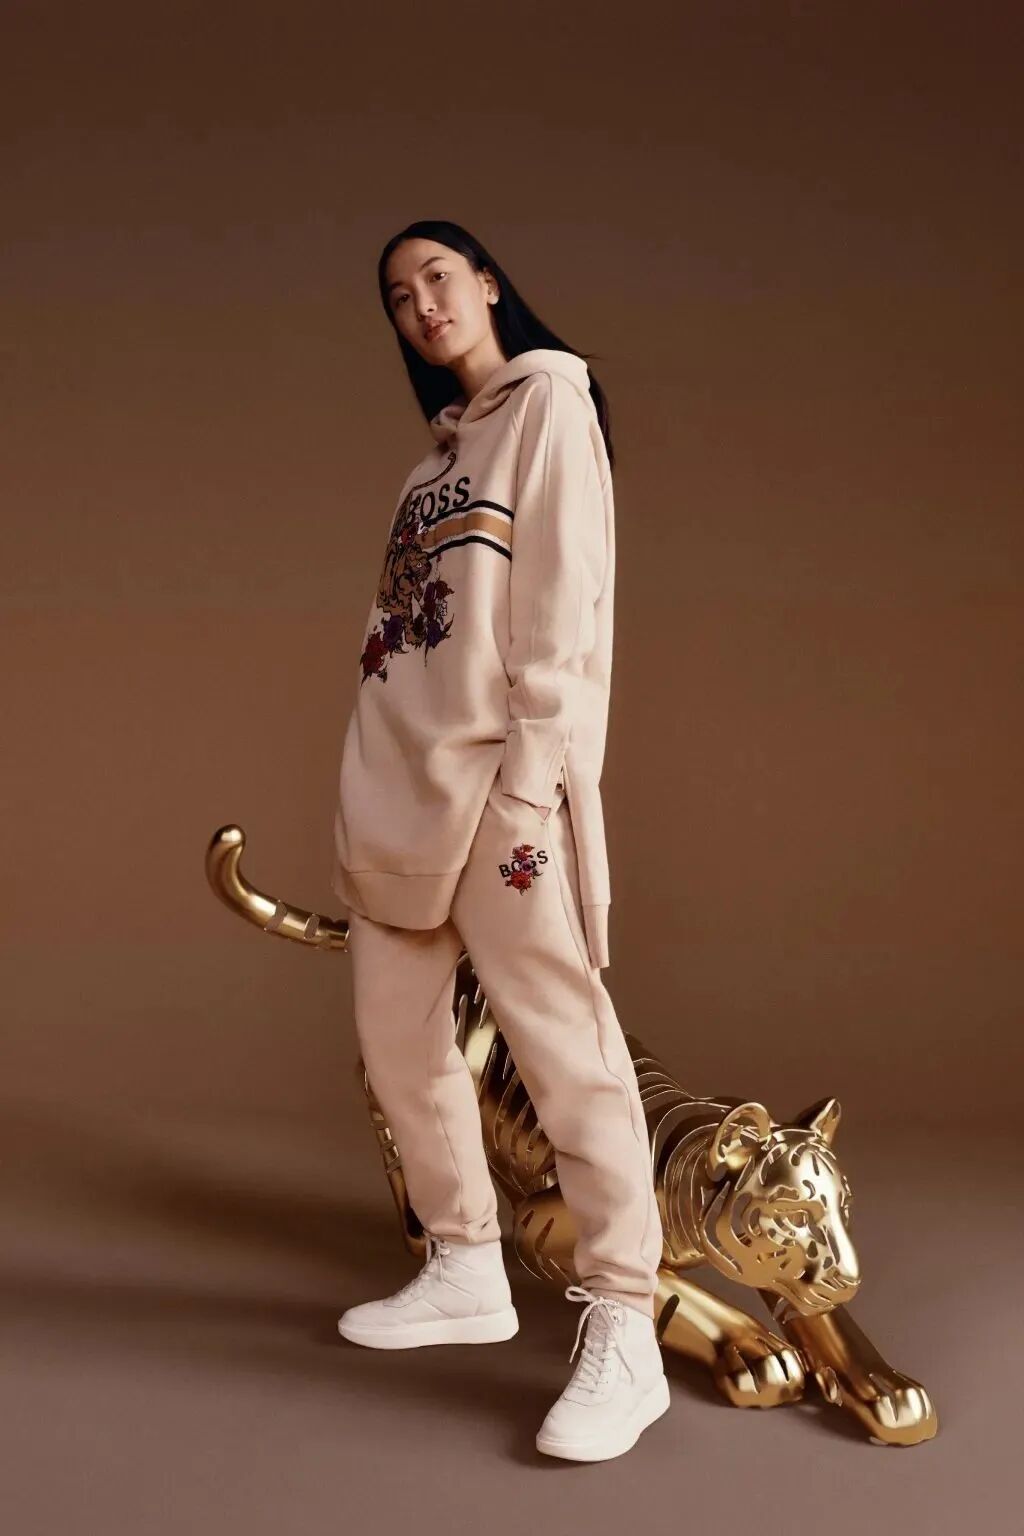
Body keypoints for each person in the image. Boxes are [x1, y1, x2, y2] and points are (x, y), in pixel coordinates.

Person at [331, 219, 668, 1462]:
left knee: (564, 1051)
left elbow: (564, 602)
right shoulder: (430, 467)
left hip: (500, 788)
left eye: (437, 276)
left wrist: (535, 780)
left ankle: (625, 1320)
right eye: (397, 295)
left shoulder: (549, 402)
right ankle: (465, 1262)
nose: (420, 303)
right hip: (395, 788)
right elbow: (397, 645)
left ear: (485, 283)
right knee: (397, 1042)